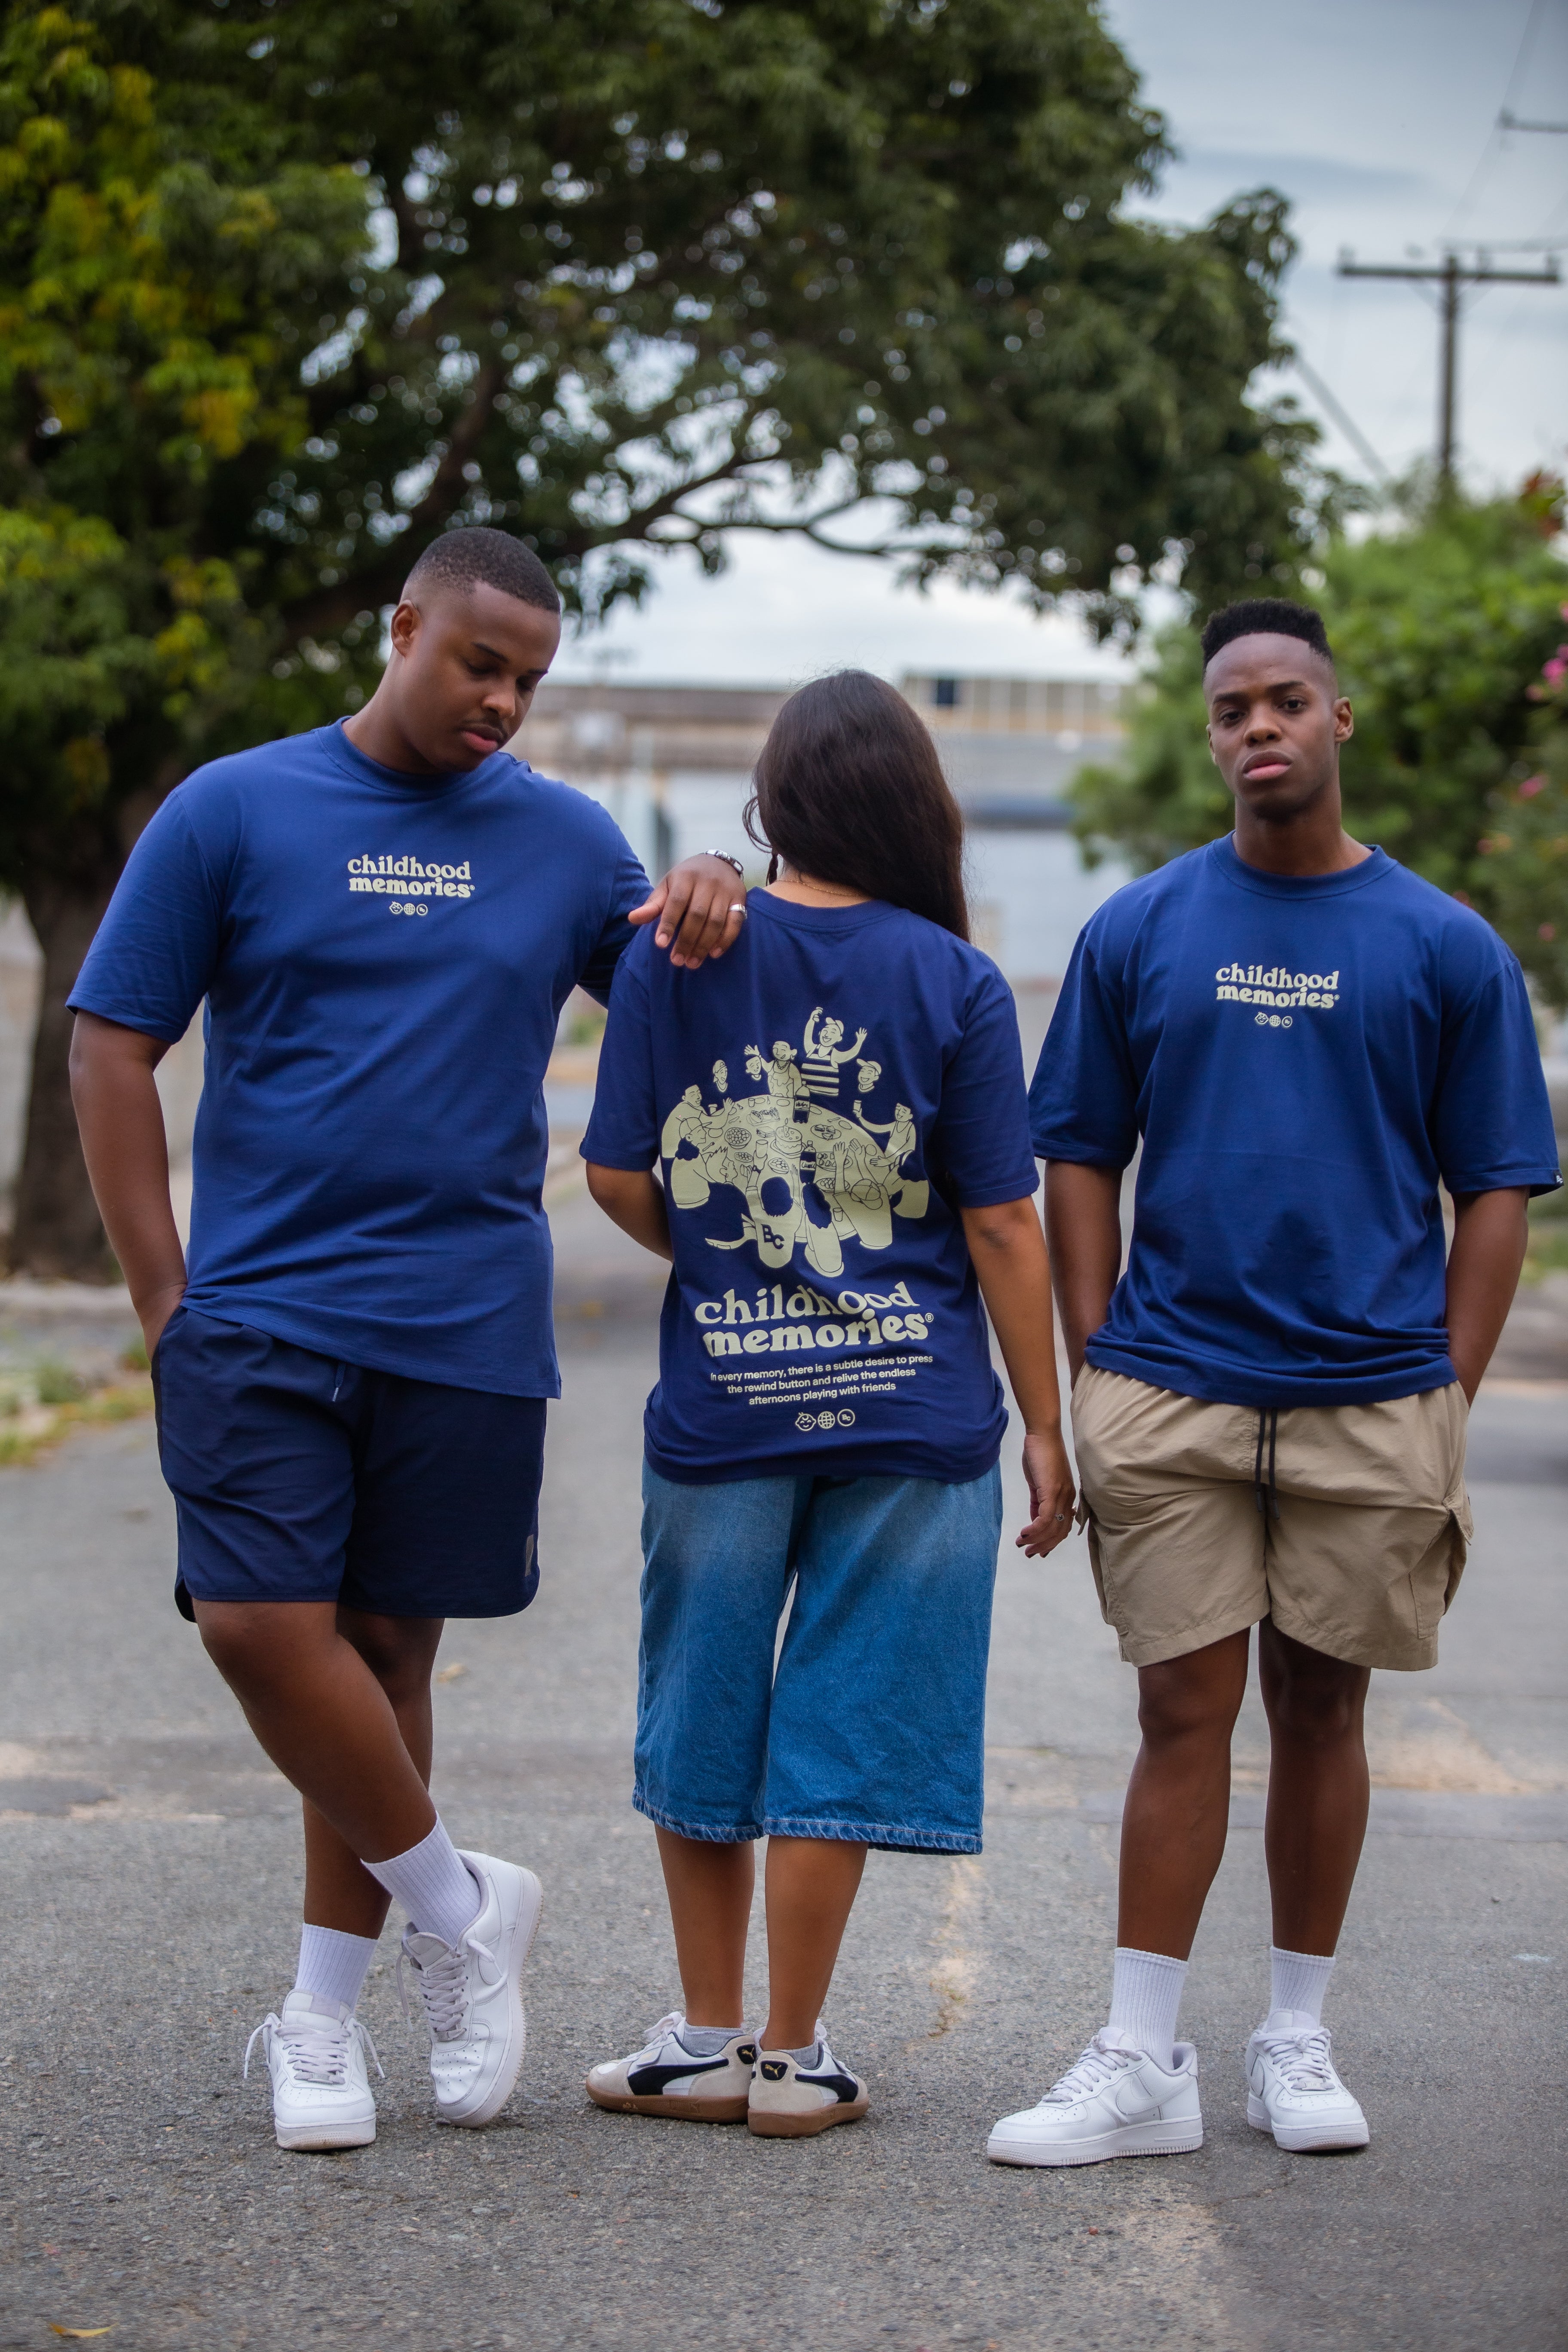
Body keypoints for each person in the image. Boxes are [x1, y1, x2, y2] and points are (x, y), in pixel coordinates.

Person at [67, 527, 748, 2152]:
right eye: (478, 663)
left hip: (464, 1316)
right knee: (254, 1628)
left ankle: (324, 2021)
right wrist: (167, 1305)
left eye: (529, 678)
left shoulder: (570, 845)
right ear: (404, 629)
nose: (502, 700)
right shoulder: (235, 808)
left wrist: (726, 886)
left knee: (383, 1660)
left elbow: (683, 996)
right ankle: (462, 1904)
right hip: (258, 1311)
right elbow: (111, 1047)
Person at [988, 598, 1560, 2169]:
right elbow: (1078, 1148)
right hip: (1172, 1383)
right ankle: (1139, 2056)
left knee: (1324, 1704)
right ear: (1214, 730)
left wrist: (1446, 1382)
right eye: (1232, 705)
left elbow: (1500, 1182)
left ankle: (1293, 2043)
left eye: (1287, 700)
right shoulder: (1143, 927)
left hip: (1370, 1393)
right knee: (1184, 1706)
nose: (1259, 727)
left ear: (1339, 719)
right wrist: (1101, 1359)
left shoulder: (1443, 944)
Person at [578, 670, 1077, 2138]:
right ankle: (795, 2059)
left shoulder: (679, 953)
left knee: (706, 1710)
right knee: (844, 1726)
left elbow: (617, 1176)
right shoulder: (957, 980)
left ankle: (708, 2037)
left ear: (775, 799)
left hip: (724, 1412)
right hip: (916, 1419)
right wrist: (1045, 1425)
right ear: (917, 808)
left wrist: (728, 1265)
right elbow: (1001, 1224)